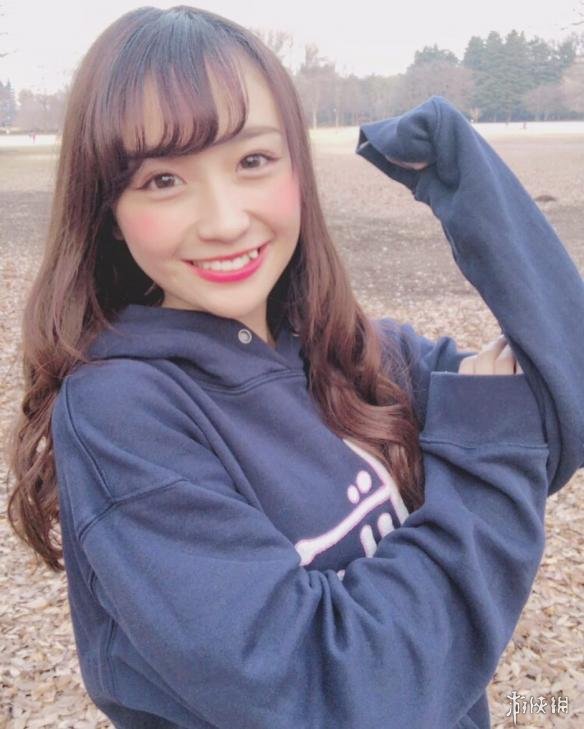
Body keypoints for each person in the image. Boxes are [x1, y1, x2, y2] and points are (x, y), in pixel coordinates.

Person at [5, 5, 583, 729]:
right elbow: (339, 691)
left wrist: (468, 185)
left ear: (298, 170)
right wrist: (487, 458)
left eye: (252, 161)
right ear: (108, 210)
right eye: (162, 180)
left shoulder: (355, 349)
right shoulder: (123, 414)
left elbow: (562, 402)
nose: (224, 220)